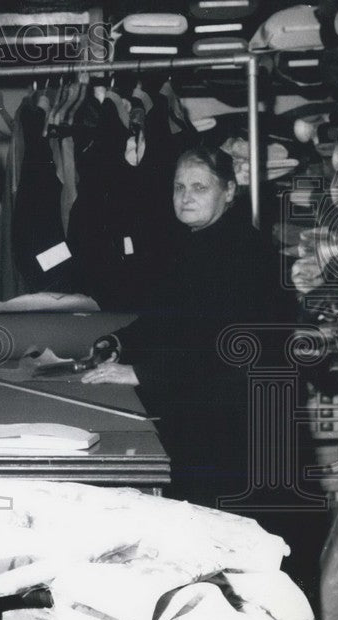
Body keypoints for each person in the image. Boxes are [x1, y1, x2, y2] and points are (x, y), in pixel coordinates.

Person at [80, 145, 277, 509]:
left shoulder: (246, 253)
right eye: (179, 187)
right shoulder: (190, 244)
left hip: (235, 430)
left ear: (229, 191)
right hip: (202, 416)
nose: (186, 198)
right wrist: (117, 342)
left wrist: (141, 372)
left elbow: (222, 348)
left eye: (199, 188)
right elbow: (164, 320)